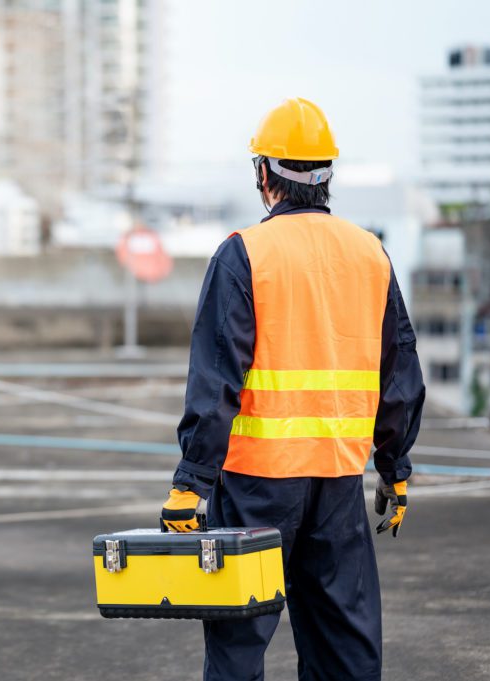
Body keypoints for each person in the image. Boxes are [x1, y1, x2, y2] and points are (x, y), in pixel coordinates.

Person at [159, 97, 425, 681]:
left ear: (263, 173)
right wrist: (395, 467)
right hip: (337, 481)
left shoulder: (243, 255)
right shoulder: (370, 254)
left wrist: (190, 484)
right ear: (328, 174)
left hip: (257, 485)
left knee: (238, 643)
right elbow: (398, 372)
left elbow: (217, 380)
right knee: (345, 645)